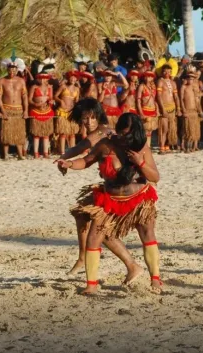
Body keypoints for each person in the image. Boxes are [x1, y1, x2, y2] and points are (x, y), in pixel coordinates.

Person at [59, 112, 161, 295]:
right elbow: (86, 160)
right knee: (94, 237)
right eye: (122, 134)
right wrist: (69, 164)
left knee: (147, 234)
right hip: (109, 201)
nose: (124, 138)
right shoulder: (106, 145)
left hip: (139, 200)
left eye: (128, 135)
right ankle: (91, 285)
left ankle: (155, 280)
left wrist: (141, 163)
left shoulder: (142, 147)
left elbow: (155, 177)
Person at [54, 98, 142, 281]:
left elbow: (81, 148)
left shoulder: (102, 132)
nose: (87, 122)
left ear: (98, 116)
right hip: (111, 186)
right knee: (82, 215)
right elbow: (85, 156)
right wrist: (66, 161)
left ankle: (131, 266)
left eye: (91, 117)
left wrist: (65, 158)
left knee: (102, 231)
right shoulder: (100, 131)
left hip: (120, 191)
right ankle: (82, 258)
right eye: (84, 118)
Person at [0, 58, 28, 160]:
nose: (12, 72)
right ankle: (5, 155)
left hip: (18, 109)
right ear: (7, 69)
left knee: (18, 133)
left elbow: (24, 96)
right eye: (10, 70)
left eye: (14, 70)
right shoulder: (2, 80)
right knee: (6, 133)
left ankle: (20, 154)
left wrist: (26, 110)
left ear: (17, 70)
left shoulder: (21, 81)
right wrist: (3, 111)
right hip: (7, 109)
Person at [28, 73, 55, 158]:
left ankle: (45, 152)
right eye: (40, 78)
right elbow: (29, 99)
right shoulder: (34, 87)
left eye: (44, 78)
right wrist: (35, 104)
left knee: (46, 133)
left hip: (47, 111)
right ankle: (36, 152)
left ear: (47, 79)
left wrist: (51, 101)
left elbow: (51, 97)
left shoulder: (50, 87)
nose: (42, 80)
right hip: (36, 111)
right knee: (36, 133)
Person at [54, 70, 81, 153]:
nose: (73, 79)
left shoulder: (77, 89)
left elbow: (77, 100)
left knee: (72, 132)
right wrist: (61, 101)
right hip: (62, 110)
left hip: (72, 111)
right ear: (68, 78)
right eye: (71, 77)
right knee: (63, 132)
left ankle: (72, 151)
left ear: (76, 79)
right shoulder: (63, 86)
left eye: (74, 77)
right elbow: (55, 96)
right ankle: (62, 151)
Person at [156, 65, 181, 153]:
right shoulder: (160, 81)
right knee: (164, 128)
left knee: (171, 128)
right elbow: (158, 96)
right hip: (164, 107)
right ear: (162, 72)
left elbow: (176, 97)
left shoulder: (173, 83)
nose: (167, 73)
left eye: (169, 71)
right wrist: (162, 109)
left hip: (172, 108)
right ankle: (162, 147)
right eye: (165, 71)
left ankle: (167, 145)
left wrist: (178, 108)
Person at [181, 73, 203, 152]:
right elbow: (181, 99)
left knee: (194, 130)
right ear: (186, 79)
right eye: (189, 79)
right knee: (188, 130)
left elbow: (197, 101)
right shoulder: (183, 87)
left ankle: (192, 147)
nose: (191, 80)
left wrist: (200, 111)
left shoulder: (194, 88)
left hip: (194, 111)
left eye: (192, 79)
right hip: (187, 110)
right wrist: (183, 110)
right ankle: (187, 147)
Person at [136, 71, 159, 147]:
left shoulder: (153, 87)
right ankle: (145, 147)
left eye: (150, 76)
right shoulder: (141, 86)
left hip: (152, 110)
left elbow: (155, 100)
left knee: (150, 132)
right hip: (145, 110)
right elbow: (138, 100)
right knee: (144, 131)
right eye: (147, 76)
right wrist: (141, 113)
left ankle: (148, 147)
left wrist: (157, 110)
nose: (148, 78)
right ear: (144, 77)